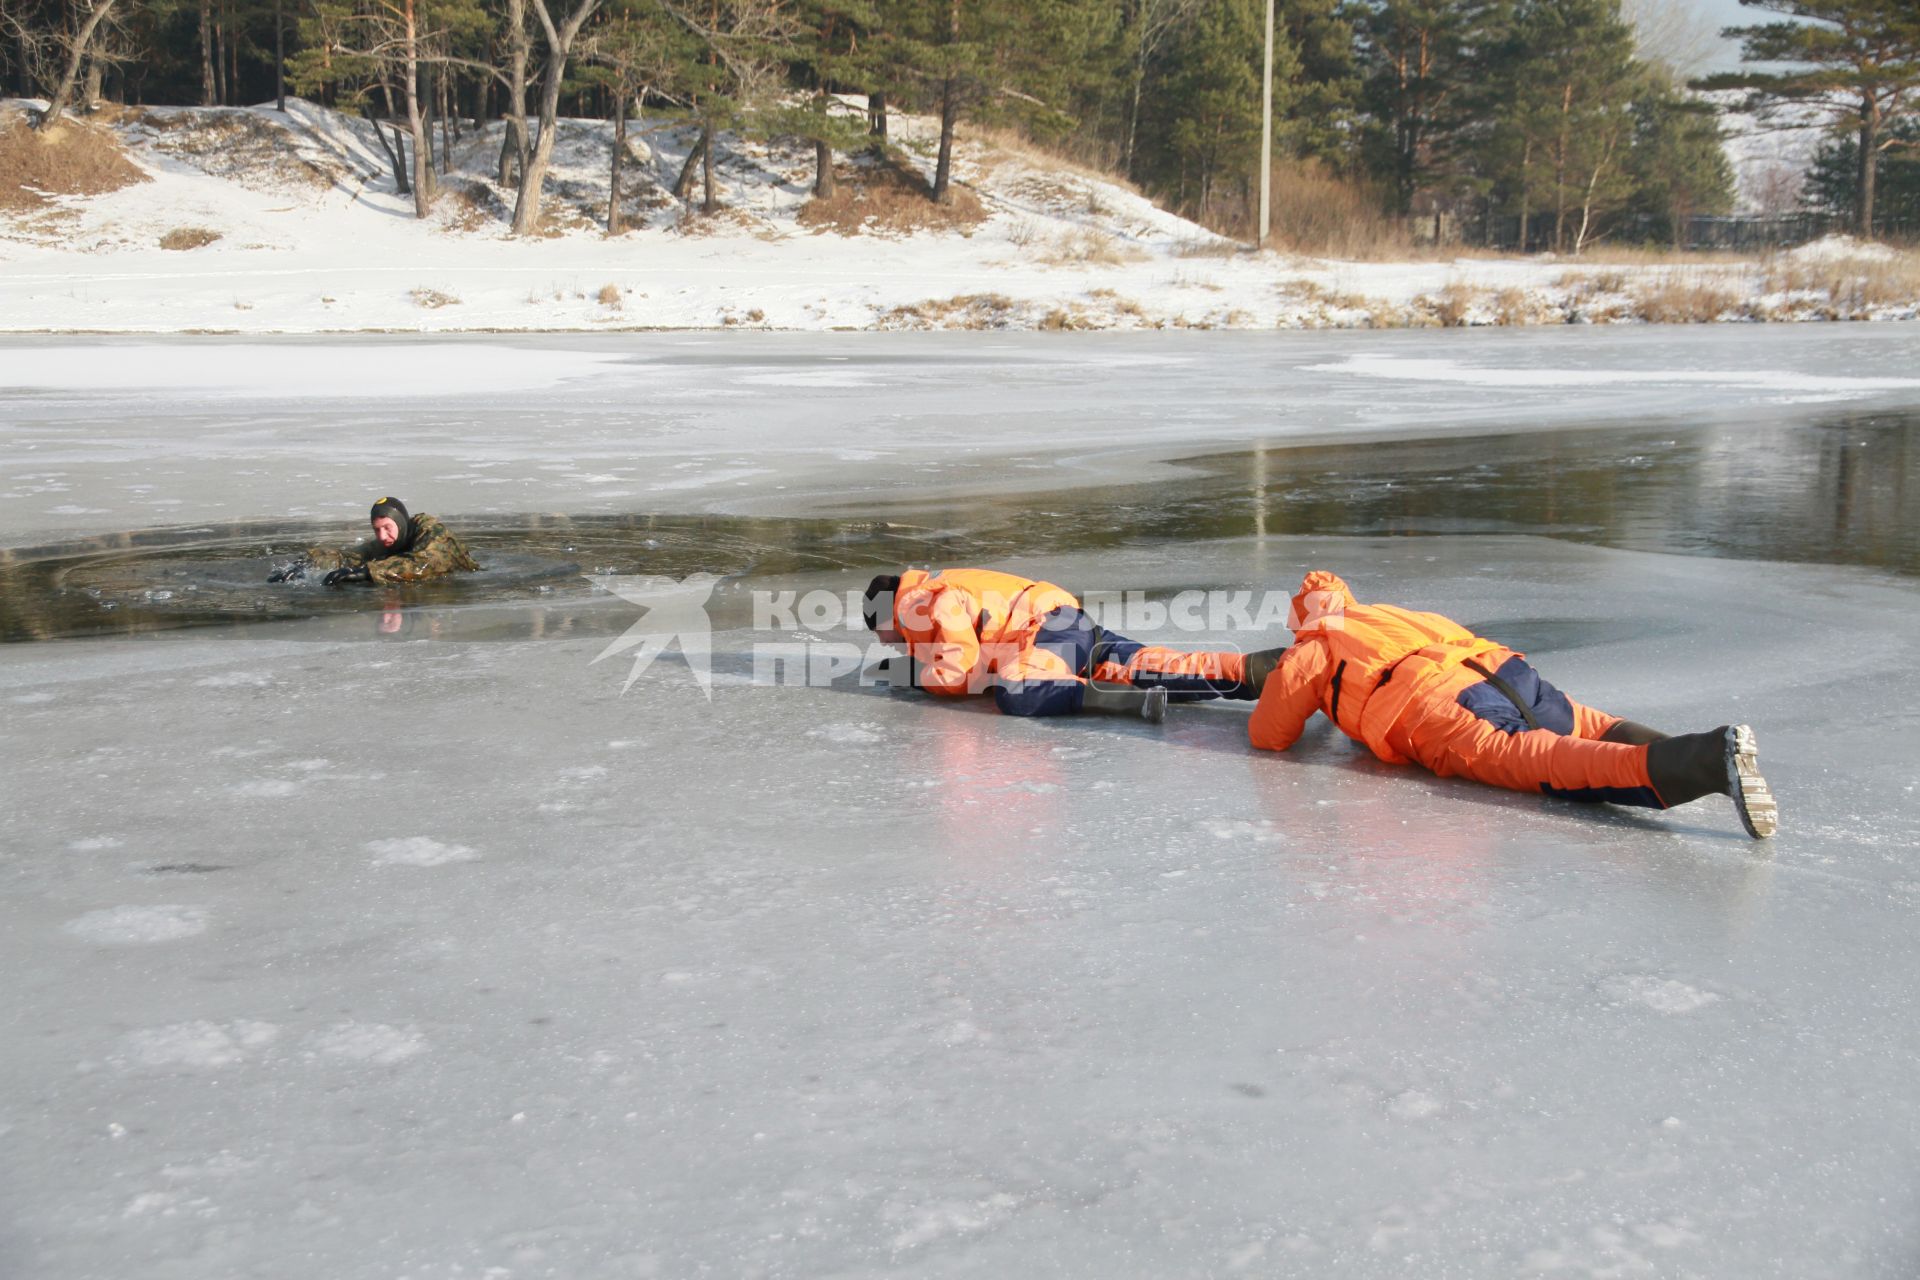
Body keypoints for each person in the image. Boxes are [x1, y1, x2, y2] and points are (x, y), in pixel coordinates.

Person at [1247, 570, 1778, 838]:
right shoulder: (1387, 613)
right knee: (1589, 723)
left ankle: (1703, 761)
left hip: (1438, 707)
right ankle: (1680, 746)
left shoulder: (1313, 647)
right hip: (1500, 669)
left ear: (1303, 617)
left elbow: (1271, 734)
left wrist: (1321, 696)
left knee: (1538, 758)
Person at [862, 568, 1285, 720]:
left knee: (1019, 690)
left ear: (888, 615)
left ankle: (1122, 703)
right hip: (1070, 626)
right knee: (1147, 665)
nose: (888, 645)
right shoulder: (937, 590)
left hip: (1049, 630)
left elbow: (960, 671)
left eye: (882, 636)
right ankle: (1261, 669)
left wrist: (915, 675)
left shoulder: (930, 600)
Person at [268, 497, 479, 587]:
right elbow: (350, 556)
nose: (382, 536)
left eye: (388, 528)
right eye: (377, 530)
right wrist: (307, 564)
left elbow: (423, 565)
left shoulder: (433, 533)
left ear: (401, 523)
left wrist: (366, 573)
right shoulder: (390, 541)